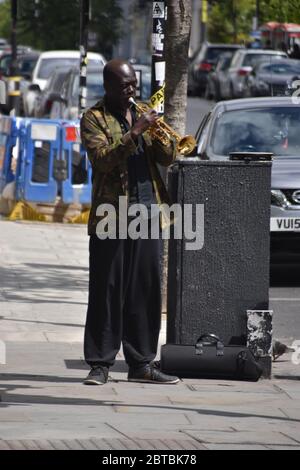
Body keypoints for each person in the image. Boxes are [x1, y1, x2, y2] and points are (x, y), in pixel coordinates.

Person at [80, 59, 179, 385]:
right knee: (106, 289)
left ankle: (141, 364)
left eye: (134, 84)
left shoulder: (143, 111)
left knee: (146, 291)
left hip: (148, 213)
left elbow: (167, 157)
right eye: (125, 86)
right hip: (111, 214)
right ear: (108, 86)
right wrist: (134, 132)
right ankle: (99, 363)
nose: (132, 91)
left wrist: (161, 135)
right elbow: (102, 160)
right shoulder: (93, 118)